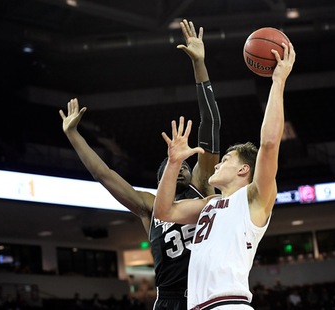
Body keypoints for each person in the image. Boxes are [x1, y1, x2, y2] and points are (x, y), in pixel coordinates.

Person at [59, 19, 220, 310]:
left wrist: (200, 65)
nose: (183, 167)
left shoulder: (202, 185)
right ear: (162, 179)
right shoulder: (150, 205)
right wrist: (73, 135)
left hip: (207, 294)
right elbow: (103, 174)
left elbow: (211, 125)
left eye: (185, 165)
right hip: (169, 300)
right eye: (174, 167)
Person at [154, 42, 296, 309]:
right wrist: (174, 163)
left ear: (244, 170)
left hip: (229, 304)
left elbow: (269, 144)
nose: (217, 165)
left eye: (226, 160)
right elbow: (163, 211)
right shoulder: (209, 205)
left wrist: (278, 81)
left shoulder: (254, 198)